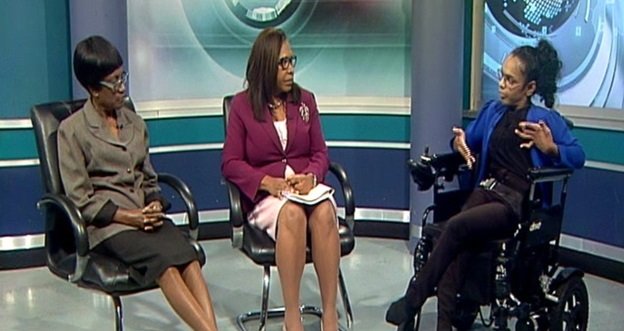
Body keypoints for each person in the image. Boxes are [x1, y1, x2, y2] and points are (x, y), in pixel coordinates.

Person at [385, 39, 585, 331]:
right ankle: (444, 325)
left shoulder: (545, 120)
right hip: (484, 191)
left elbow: (578, 156)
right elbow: (466, 139)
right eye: (501, 76)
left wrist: (552, 148)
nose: (501, 84)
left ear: (529, 88)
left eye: (510, 80)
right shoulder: (493, 112)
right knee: (456, 241)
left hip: (514, 201)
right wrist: (461, 144)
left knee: (454, 228)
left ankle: (414, 297)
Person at [58, 36, 218, 331]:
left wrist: (154, 201)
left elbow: (148, 177)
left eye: (123, 78)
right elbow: (80, 198)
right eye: (113, 82)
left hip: (145, 218)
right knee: (166, 266)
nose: (122, 87)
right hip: (109, 226)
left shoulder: (134, 123)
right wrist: (128, 217)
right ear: (93, 89)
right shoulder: (71, 131)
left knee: (188, 257)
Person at [221, 27, 340, 331]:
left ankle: (329, 313)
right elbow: (231, 163)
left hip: (305, 191)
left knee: (325, 212)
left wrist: (313, 176)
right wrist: (266, 182)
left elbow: (320, 152)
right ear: (265, 65)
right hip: (269, 198)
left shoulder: (305, 102)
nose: (290, 70)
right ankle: (292, 316)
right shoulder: (242, 107)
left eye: (292, 61)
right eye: (283, 63)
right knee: (293, 216)